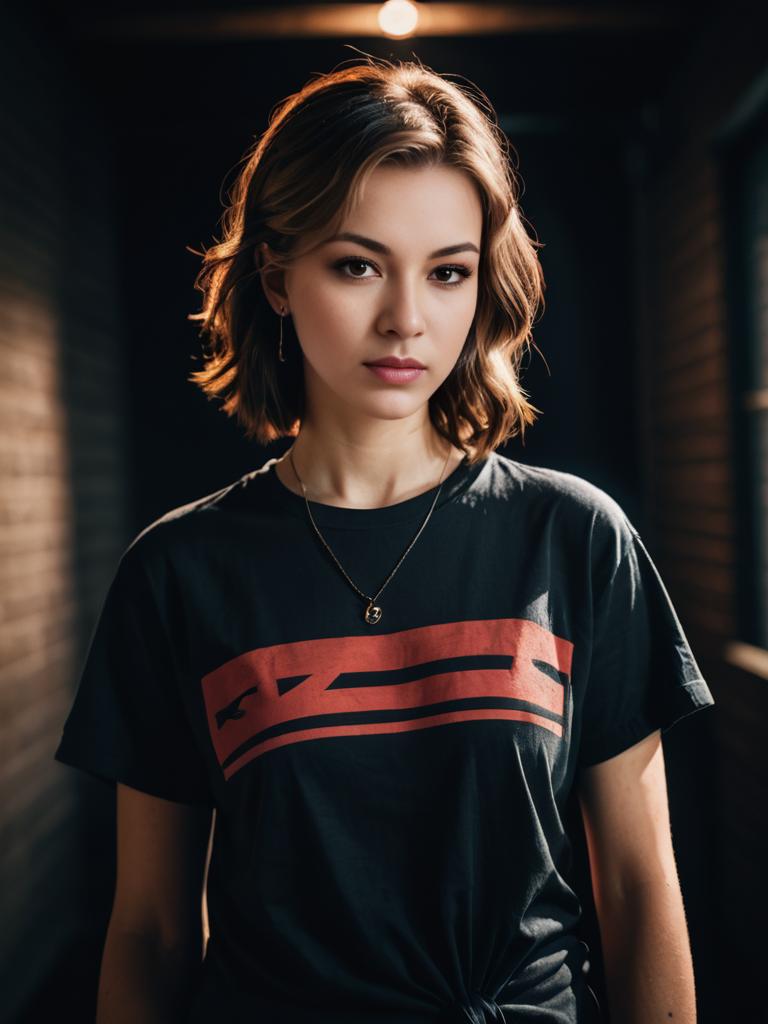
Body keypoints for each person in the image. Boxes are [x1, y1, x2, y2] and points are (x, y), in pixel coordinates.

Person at [54, 55, 715, 1024]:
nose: (408, 319)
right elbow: (151, 928)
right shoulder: (180, 571)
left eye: (448, 271)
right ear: (277, 275)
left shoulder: (574, 538)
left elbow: (641, 885)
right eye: (357, 264)